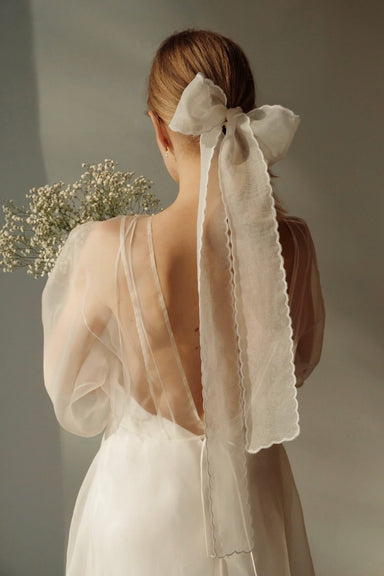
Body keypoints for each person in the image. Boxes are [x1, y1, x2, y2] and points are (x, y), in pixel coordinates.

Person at [42, 29, 325, 576]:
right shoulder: (293, 246)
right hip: (253, 497)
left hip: (142, 503)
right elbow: (296, 367)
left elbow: (71, 399)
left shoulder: (106, 247)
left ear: (159, 127)